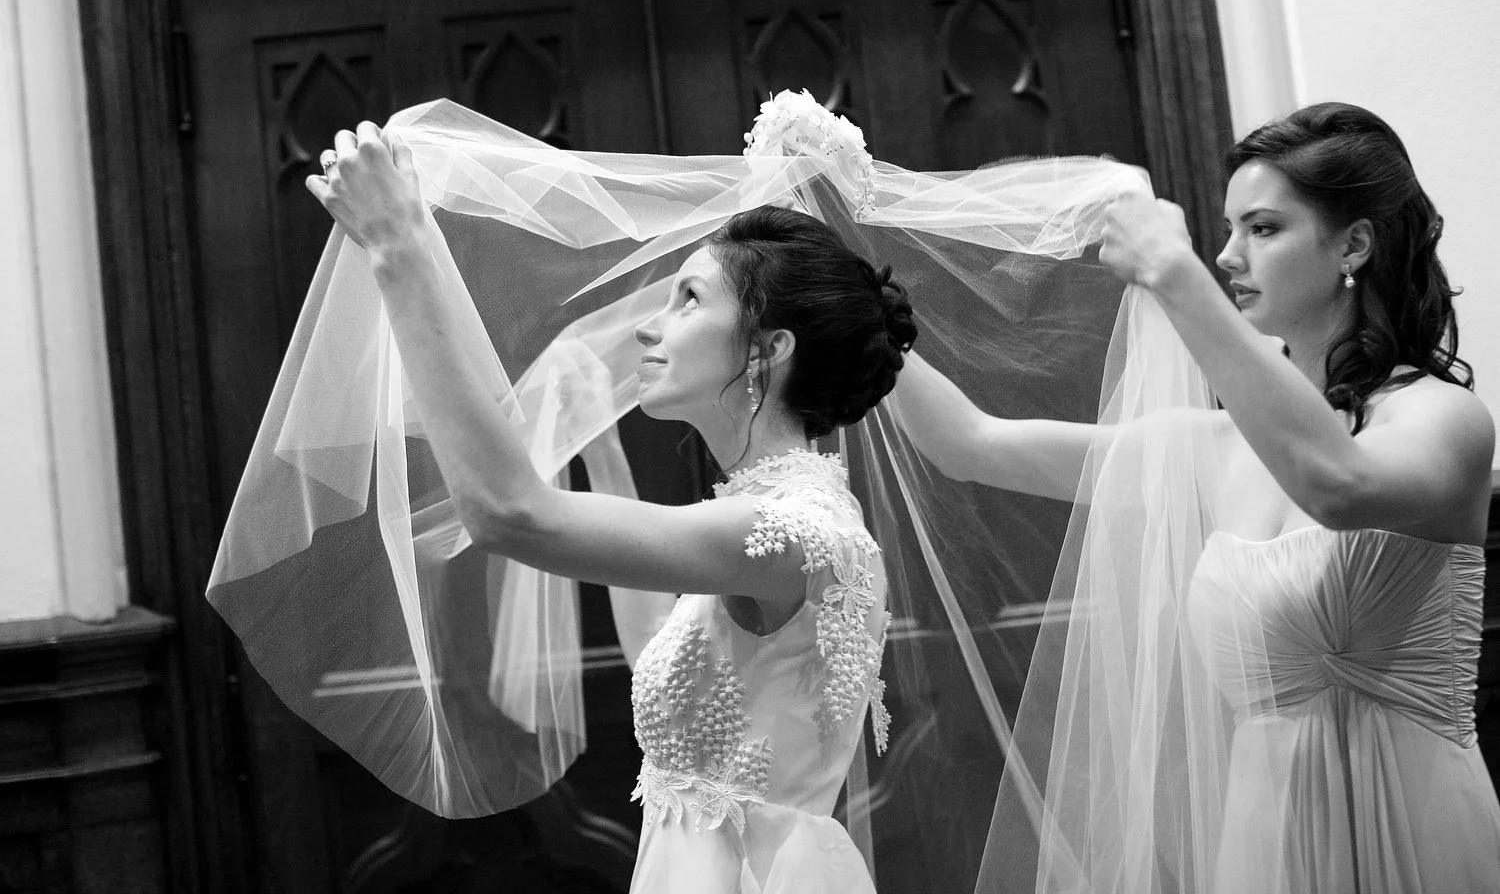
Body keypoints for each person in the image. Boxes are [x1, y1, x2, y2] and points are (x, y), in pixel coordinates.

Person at [896, 102, 1500, 893]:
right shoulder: (1214, 449)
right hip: (1263, 845)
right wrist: (867, 323)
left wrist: (1173, 276)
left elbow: (1339, 488)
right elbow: (969, 444)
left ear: (1354, 243)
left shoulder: (1442, 418)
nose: (1226, 255)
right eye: (1223, 231)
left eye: (1263, 228)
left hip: (1415, 835)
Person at [302, 122, 915, 893]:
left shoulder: (787, 530)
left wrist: (399, 249)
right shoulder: (768, 517)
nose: (649, 328)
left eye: (688, 298)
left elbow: (507, 512)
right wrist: (606, 457)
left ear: (768, 348)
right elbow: (662, 641)